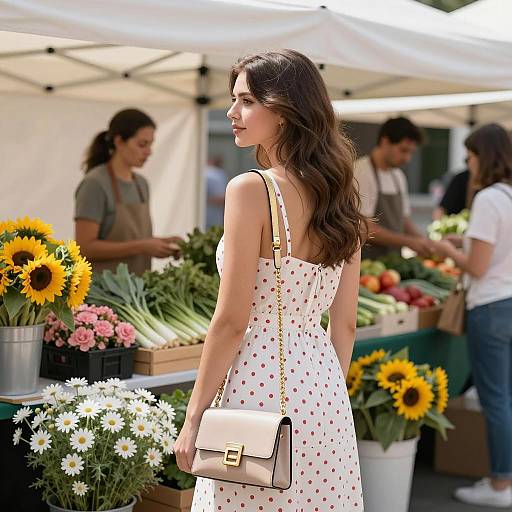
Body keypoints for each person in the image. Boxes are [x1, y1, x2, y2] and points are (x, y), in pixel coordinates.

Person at [174, 49, 366, 511]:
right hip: (324, 393)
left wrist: (194, 415)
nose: (231, 112)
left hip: (256, 384)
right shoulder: (342, 197)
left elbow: (232, 321)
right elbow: (346, 326)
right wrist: (322, 397)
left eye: (246, 101)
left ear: (284, 110)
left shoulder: (251, 189)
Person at [431, 123, 512, 508]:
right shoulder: (509, 196)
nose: (469, 163)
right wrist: (466, 242)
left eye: (471, 156)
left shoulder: (487, 199)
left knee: (495, 401)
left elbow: (477, 267)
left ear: (485, 156)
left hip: (491, 308)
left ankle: (500, 485)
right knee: (505, 399)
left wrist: (448, 251)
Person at [74, 108, 181, 276]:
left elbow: (134, 238)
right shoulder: (95, 184)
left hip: (137, 290)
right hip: (101, 294)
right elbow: (85, 247)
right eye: (142, 144)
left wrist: (161, 244)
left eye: (150, 145)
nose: (149, 151)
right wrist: (143, 246)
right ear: (119, 142)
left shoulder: (141, 184)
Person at [355, 116, 433, 258]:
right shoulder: (361, 171)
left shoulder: (398, 176)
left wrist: (425, 243)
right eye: (403, 150)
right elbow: (363, 227)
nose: (407, 158)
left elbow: (404, 219)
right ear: (385, 142)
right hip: (366, 264)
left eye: (411, 152)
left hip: (393, 261)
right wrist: (409, 242)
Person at [205, 156, 228, 229]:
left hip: (210, 218)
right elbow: (222, 198)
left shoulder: (213, 174)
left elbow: (221, 198)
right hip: (213, 220)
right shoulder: (216, 174)